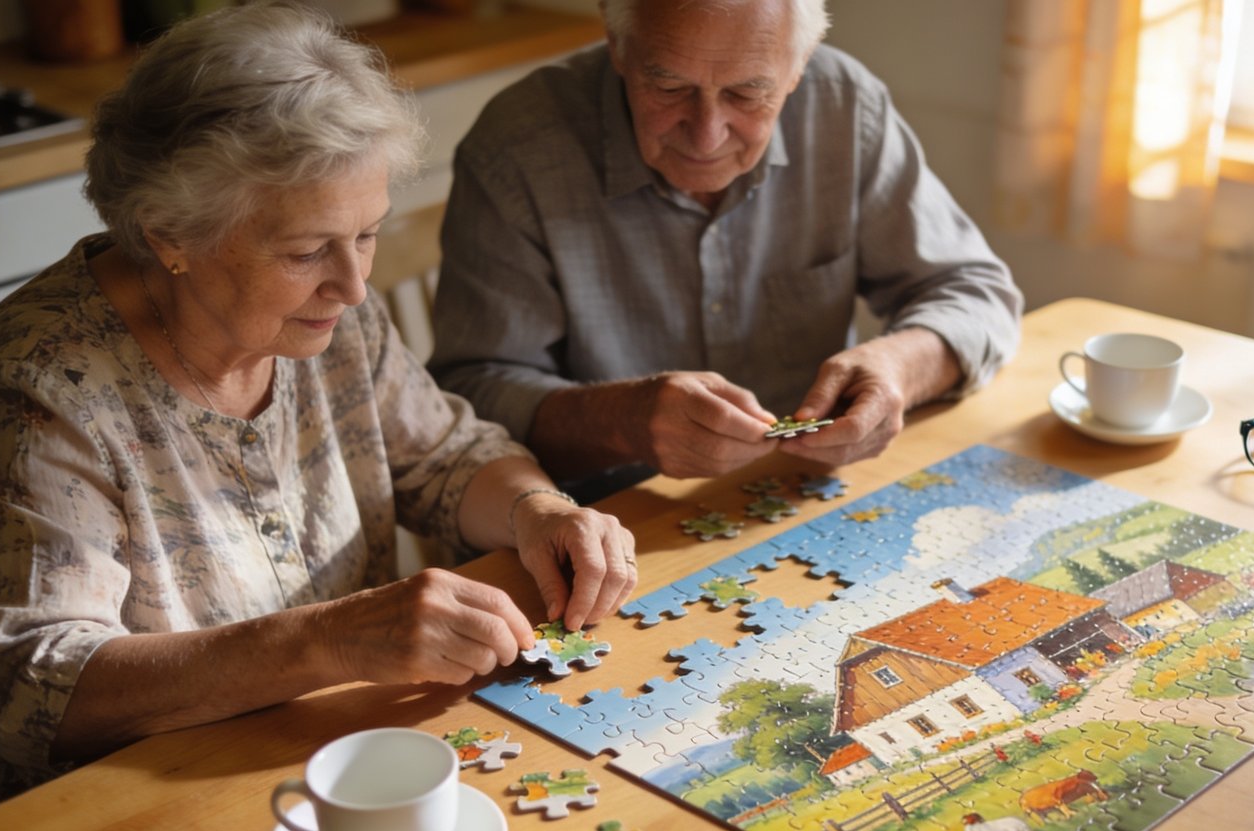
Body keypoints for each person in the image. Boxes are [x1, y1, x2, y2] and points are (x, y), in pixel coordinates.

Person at [0, 1, 636, 821]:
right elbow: (29, 689)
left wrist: (539, 509)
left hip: (327, 758)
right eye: (306, 251)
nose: (353, 285)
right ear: (171, 234)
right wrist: (329, 639)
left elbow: (446, 455)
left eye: (367, 235)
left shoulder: (329, 317)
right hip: (108, 815)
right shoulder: (45, 385)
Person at [429, 0, 1022, 500]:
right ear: (617, 46)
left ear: (796, 68)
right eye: (669, 86)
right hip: (603, 526)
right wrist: (623, 423)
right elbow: (468, 398)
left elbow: (975, 292)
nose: (707, 132)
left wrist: (900, 369)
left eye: (747, 93)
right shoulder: (516, 148)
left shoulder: (844, 106)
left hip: (809, 499)